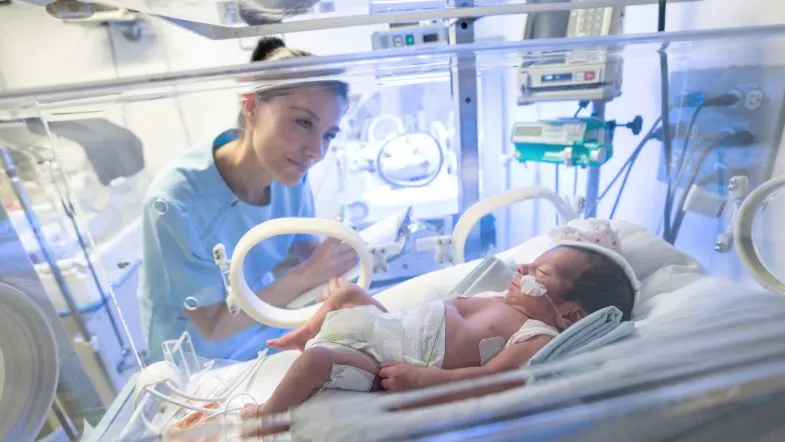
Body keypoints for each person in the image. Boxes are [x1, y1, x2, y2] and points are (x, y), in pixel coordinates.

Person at [240, 220, 637, 427]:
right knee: (345, 295)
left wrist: (425, 382)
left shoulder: (534, 335)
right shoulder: (501, 297)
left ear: (570, 314)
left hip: (389, 358)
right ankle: (306, 332)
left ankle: (269, 417)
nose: (524, 267)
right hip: (387, 325)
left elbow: (495, 380)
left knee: (317, 361)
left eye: (542, 271)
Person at [137, 37, 357, 363]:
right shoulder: (175, 202)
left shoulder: (289, 173)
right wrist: (309, 274)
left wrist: (336, 268)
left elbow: (305, 252)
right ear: (251, 106)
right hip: (200, 358)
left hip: (267, 328)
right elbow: (213, 325)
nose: (316, 151)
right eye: (302, 123)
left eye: (328, 134)